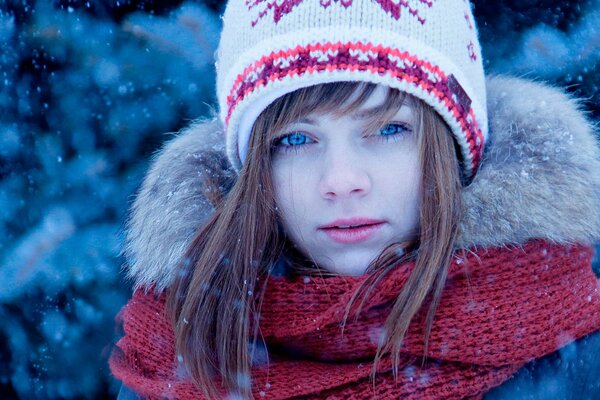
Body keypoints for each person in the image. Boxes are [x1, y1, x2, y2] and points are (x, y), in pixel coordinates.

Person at [109, 0, 600, 398]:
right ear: (257, 167)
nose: (341, 181)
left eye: (389, 128)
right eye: (296, 139)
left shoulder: (578, 357)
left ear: (452, 150)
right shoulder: (181, 355)